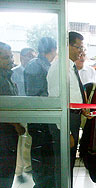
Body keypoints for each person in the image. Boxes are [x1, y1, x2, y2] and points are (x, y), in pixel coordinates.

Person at [47, 31, 85, 187]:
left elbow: (72, 94)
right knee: (62, 165)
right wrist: (66, 132)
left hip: (72, 119)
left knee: (68, 162)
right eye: (78, 46)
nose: (81, 51)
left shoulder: (70, 66)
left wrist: (83, 107)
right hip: (64, 123)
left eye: (82, 47)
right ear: (66, 45)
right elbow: (56, 103)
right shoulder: (59, 68)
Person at [24, 37, 60, 188]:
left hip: (45, 121)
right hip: (40, 122)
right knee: (41, 160)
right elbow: (38, 96)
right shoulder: (36, 66)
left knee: (47, 160)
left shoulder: (43, 64)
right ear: (52, 49)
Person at [0, 42, 25, 188]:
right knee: (4, 173)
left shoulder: (8, 76)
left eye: (10, 57)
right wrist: (16, 125)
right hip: (4, 135)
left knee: (8, 171)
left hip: (9, 135)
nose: (10, 60)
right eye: (5, 57)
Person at [11, 48, 36, 183]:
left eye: (33, 56)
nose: (31, 59)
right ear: (21, 57)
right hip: (18, 112)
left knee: (28, 142)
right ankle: (18, 171)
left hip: (31, 112)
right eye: (28, 56)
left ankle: (27, 167)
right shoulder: (14, 73)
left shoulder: (34, 72)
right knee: (20, 142)